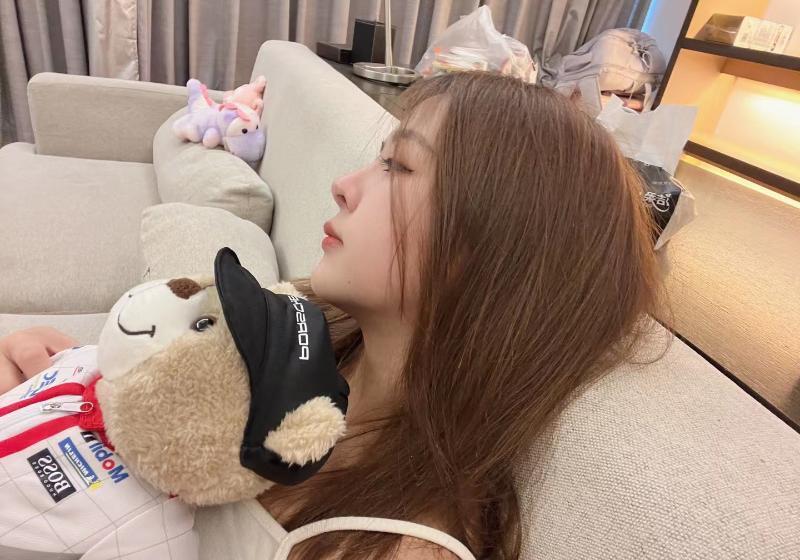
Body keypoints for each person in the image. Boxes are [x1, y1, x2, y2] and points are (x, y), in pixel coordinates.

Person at [0, 71, 662, 559]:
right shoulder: (300, 332)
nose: (344, 187)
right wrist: (46, 380)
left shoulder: (393, 546)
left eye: (397, 166)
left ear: (488, 245)